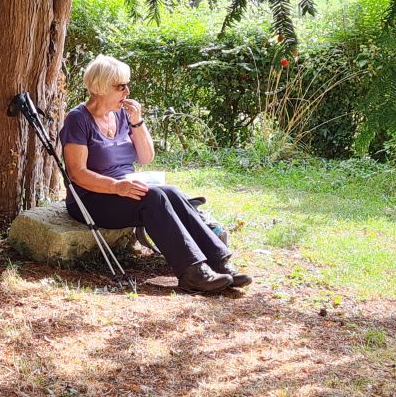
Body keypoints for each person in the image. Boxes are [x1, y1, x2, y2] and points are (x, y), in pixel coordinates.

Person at [60, 54, 252, 293]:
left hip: (125, 189)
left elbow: (146, 157)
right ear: (100, 87)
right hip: (91, 198)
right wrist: (116, 187)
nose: (127, 91)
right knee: (155, 198)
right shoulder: (77, 119)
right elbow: (77, 173)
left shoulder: (122, 114)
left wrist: (137, 122)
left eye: (127, 85)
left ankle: (219, 262)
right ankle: (192, 273)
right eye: (120, 86)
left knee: (171, 191)